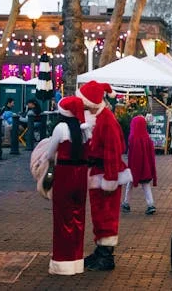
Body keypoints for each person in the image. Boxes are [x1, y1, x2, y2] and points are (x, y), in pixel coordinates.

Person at [77, 81, 132, 271]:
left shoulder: (106, 120)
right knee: (99, 214)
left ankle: (106, 255)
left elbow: (113, 151)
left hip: (106, 175)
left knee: (106, 215)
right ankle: (101, 250)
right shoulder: (95, 118)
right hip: (97, 174)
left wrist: (110, 178)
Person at [44, 96, 90, 275]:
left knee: (63, 218)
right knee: (78, 217)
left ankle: (63, 262)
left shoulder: (61, 128)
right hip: (81, 175)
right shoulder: (84, 130)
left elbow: (49, 153)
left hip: (64, 174)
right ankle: (77, 261)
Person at [122, 115, 158, 215]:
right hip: (145, 167)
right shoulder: (147, 138)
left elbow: (132, 154)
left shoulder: (132, 138)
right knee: (146, 185)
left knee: (130, 184)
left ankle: (126, 203)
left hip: (134, 167)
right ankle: (150, 204)